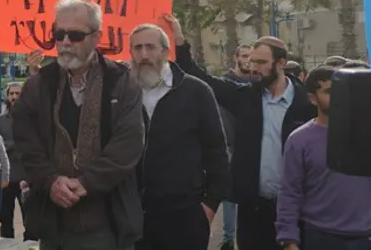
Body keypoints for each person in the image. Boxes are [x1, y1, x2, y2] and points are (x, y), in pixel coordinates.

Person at [164, 14, 316, 250]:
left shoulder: (307, 104)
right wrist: (179, 39)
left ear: (281, 63)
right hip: (253, 210)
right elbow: (199, 77)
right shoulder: (245, 97)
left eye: (261, 62)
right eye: (251, 61)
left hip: (298, 211)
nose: (253, 68)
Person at [11, 0, 145, 250]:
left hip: (108, 226)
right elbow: (25, 141)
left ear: (96, 36)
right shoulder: (39, 85)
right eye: (59, 34)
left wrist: (86, 184)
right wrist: (50, 182)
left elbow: (129, 144)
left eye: (75, 35)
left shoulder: (121, 82)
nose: (64, 43)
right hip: (54, 226)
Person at [129, 23, 230, 250]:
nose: (143, 55)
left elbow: (217, 151)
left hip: (185, 217)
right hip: (133, 217)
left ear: (165, 51)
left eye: (150, 47)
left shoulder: (195, 91)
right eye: (137, 48)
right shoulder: (123, 92)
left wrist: (209, 205)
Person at [276, 65, 371, 250]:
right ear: (313, 98)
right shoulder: (300, 140)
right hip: (322, 238)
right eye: (329, 91)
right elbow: (290, 192)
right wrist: (289, 239)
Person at [219, 44, 252, 250]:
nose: (248, 60)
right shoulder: (225, 84)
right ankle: (229, 238)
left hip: (252, 145)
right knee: (230, 195)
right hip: (231, 145)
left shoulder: (258, 84)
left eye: (252, 56)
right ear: (236, 58)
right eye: (245, 56)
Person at [0, 81, 35, 241]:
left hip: (27, 177)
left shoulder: (32, 119)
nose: (14, 97)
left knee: (30, 218)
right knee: (5, 217)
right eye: (11, 94)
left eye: (18, 93)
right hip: (6, 178)